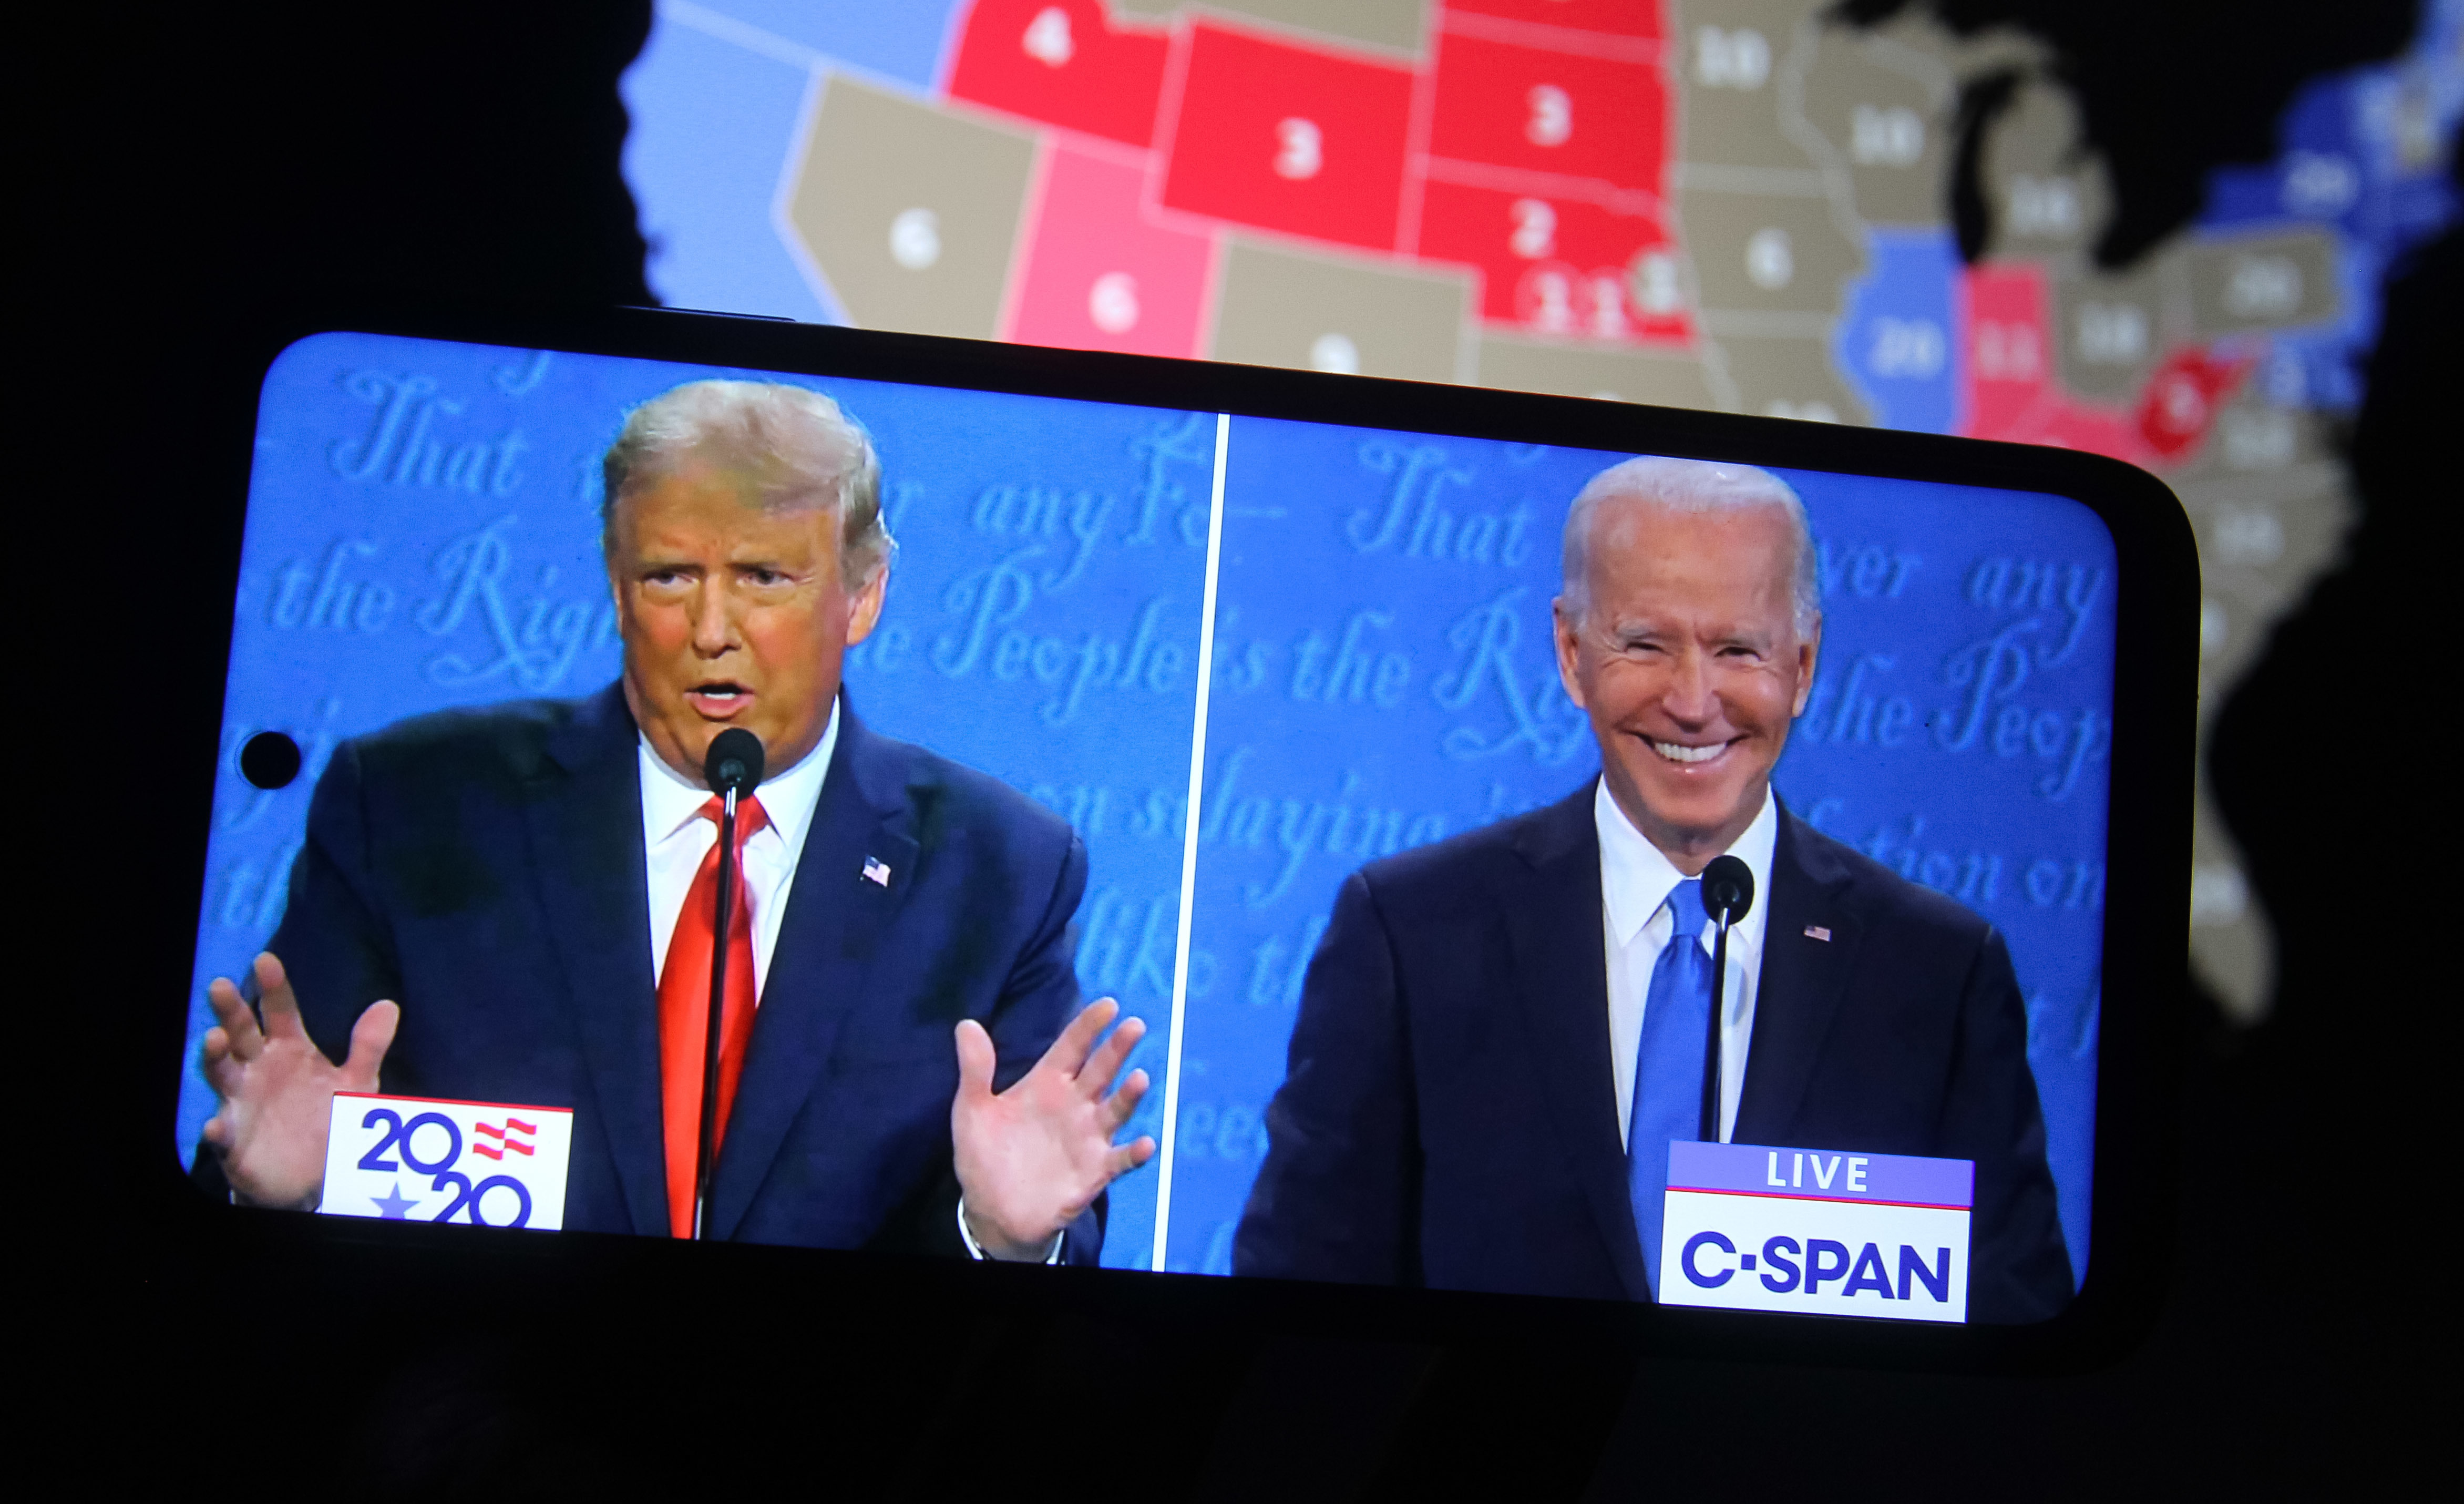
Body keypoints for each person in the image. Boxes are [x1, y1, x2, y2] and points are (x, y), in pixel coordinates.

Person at [197, 380, 1153, 1261]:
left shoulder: (1000, 871)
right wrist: (282, 1195)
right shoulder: (413, 809)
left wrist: (998, 1231)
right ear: (617, 589)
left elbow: (1026, 1271)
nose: (710, 628)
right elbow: (276, 1162)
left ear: (863, 596)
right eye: (668, 577)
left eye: (763, 577)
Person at [1234, 456, 2075, 1322]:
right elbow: (1295, 1298)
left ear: (1805, 665)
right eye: (1645, 644)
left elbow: (2017, 1327)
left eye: (1738, 649)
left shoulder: (1936, 973)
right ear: (1570, 652)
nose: (1693, 701)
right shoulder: (1410, 933)